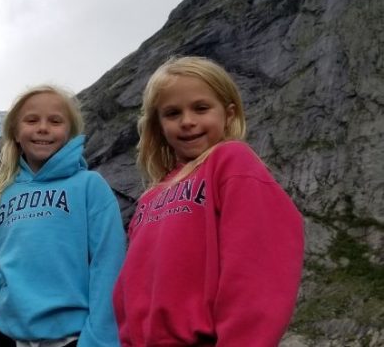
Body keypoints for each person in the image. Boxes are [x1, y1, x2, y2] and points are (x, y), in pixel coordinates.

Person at [112, 56, 305, 346]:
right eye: (172, 113)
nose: (187, 121)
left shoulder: (232, 162)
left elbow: (257, 272)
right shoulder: (150, 198)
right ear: (159, 125)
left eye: (201, 108)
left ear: (228, 114)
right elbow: (130, 286)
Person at [0, 85, 126, 347]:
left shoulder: (89, 186)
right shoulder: (2, 195)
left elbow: (109, 265)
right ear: (15, 132)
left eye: (55, 121)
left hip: (75, 337)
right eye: (32, 120)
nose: (43, 128)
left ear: (69, 133)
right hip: (9, 336)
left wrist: (99, 340)